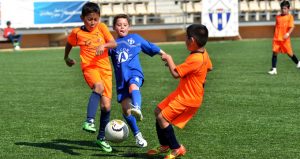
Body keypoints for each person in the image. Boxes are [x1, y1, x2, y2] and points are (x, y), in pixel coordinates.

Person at [147, 24, 213, 159]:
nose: (185, 41)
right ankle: (165, 145)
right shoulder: (203, 54)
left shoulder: (195, 58)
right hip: (182, 93)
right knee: (158, 111)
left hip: (188, 98)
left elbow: (176, 74)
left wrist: (169, 59)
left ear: (192, 40)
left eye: (186, 38)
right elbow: (209, 68)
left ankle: (177, 148)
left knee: (162, 118)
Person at [63, 2, 117, 152]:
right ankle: (89, 121)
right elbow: (69, 43)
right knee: (98, 87)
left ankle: (101, 138)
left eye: (95, 19)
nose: (93, 22)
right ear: (82, 18)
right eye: (89, 19)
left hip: (105, 69)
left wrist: (103, 46)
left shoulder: (102, 28)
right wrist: (66, 58)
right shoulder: (76, 33)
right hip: (89, 68)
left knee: (106, 106)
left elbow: (113, 43)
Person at [109, 14, 166, 148]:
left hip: (135, 73)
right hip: (121, 80)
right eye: (119, 25)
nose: (122, 27)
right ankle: (137, 135)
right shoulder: (111, 44)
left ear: (129, 27)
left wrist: (163, 53)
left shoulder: (135, 38)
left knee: (133, 86)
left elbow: (151, 47)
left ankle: (138, 107)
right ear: (114, 27)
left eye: (125, 25)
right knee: (125, 109)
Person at [268, 0, 300, 75]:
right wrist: (274, 34)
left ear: (288, 9)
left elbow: (292, 27)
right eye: (282, 8)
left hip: (285, 39)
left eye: (285, 8)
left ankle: (298, 62)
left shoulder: (290, 17)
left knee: (290, 53)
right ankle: (274, 69)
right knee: (274, 53)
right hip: (277, 39)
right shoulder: (278, 17)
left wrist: (288, 34)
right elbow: (276, 26)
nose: (283, 10)